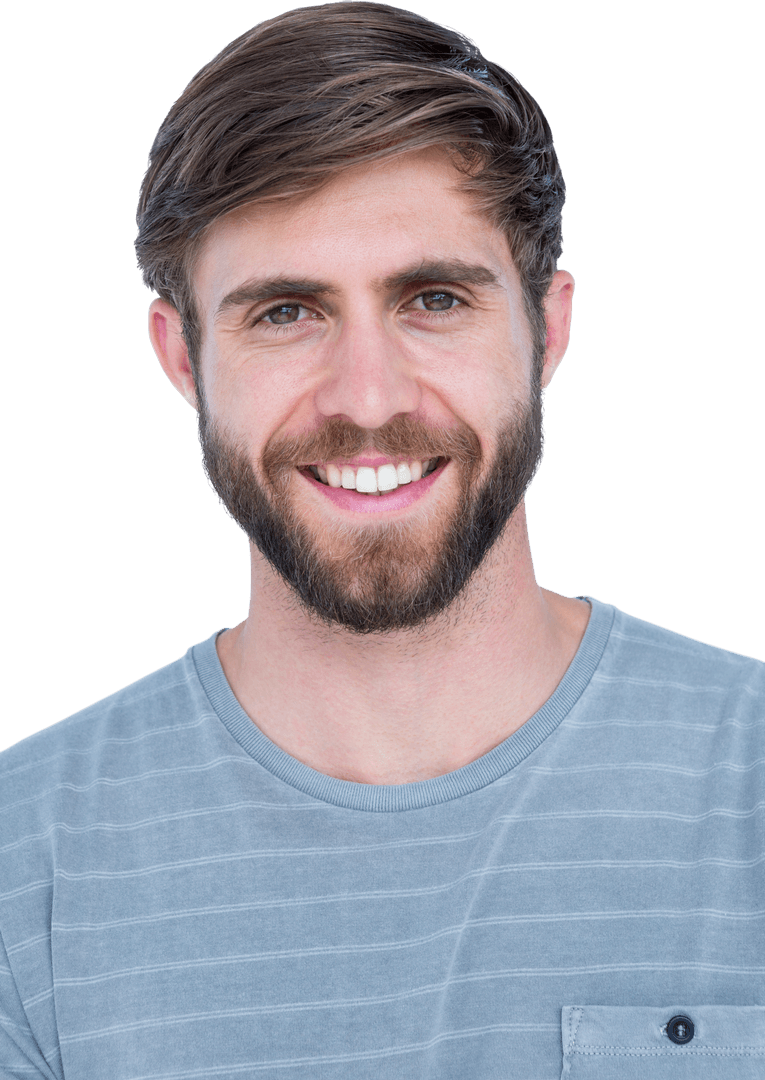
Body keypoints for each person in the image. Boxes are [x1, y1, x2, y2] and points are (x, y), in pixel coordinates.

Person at [1, 4, 762, 1077]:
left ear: (548, 328)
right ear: (182, 361)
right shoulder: (21, 870)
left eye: (435, 299)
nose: (367, 398)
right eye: (285, 313)